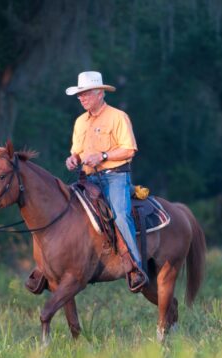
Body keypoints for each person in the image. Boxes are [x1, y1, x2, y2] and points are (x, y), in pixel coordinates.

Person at [64, 71, 148, 291]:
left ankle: (135, 268)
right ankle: (57, 266)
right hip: (88, 178)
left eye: (85, 94)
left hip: (115, 177)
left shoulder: (118, 117)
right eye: (79, 95)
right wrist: (73, 159)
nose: (81, 98)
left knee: (120, 215)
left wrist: (102, 156)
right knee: (64, 210)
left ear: (100, 93)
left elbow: (129, 149)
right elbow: (77, 152)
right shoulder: (80, 122)